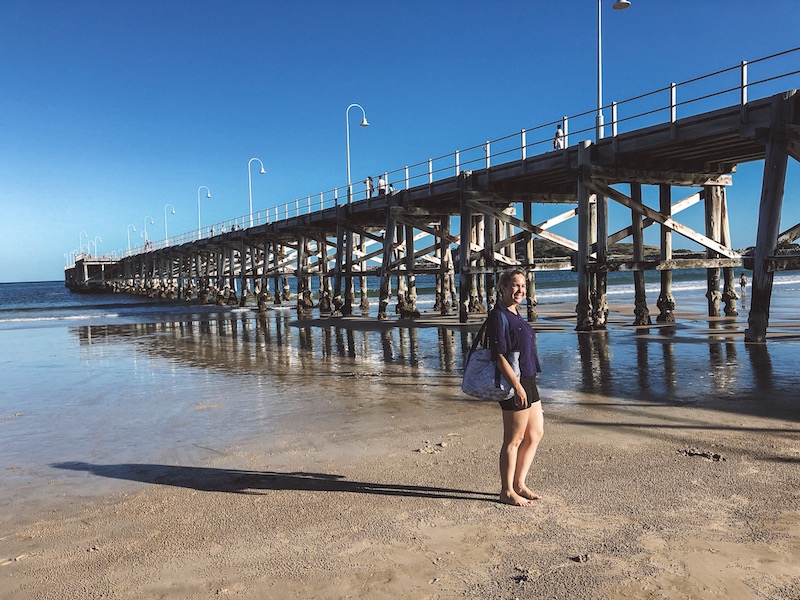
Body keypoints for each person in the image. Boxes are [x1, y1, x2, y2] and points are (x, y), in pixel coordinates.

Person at [486, 268, 544, 506]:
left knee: (535, 434)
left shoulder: (516, 313)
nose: (520, 290)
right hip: (514, 384)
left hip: (529, 379)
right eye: (515, 285)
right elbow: (498, 356)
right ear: (503, 288)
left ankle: (520, 483)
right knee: (514, 439)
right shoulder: (498, 316)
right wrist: (518, 387)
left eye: (523, 286)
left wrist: (526, 385)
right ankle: (506, 491)